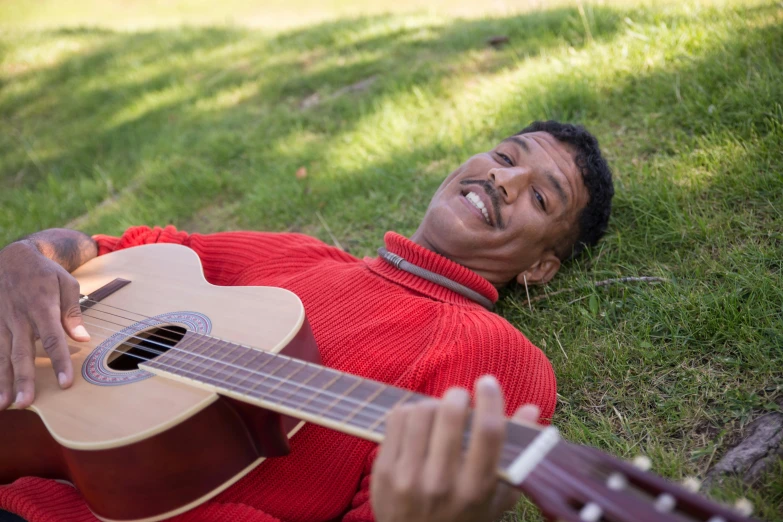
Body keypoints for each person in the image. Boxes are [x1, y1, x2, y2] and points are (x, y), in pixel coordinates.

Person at [0, 120, 613, 522]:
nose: (503, 180)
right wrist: (31, 255)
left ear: (541, 267)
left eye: (540, 196)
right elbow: (121, 249)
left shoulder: (494, 355)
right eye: (506, 156)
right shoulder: (297, 254)